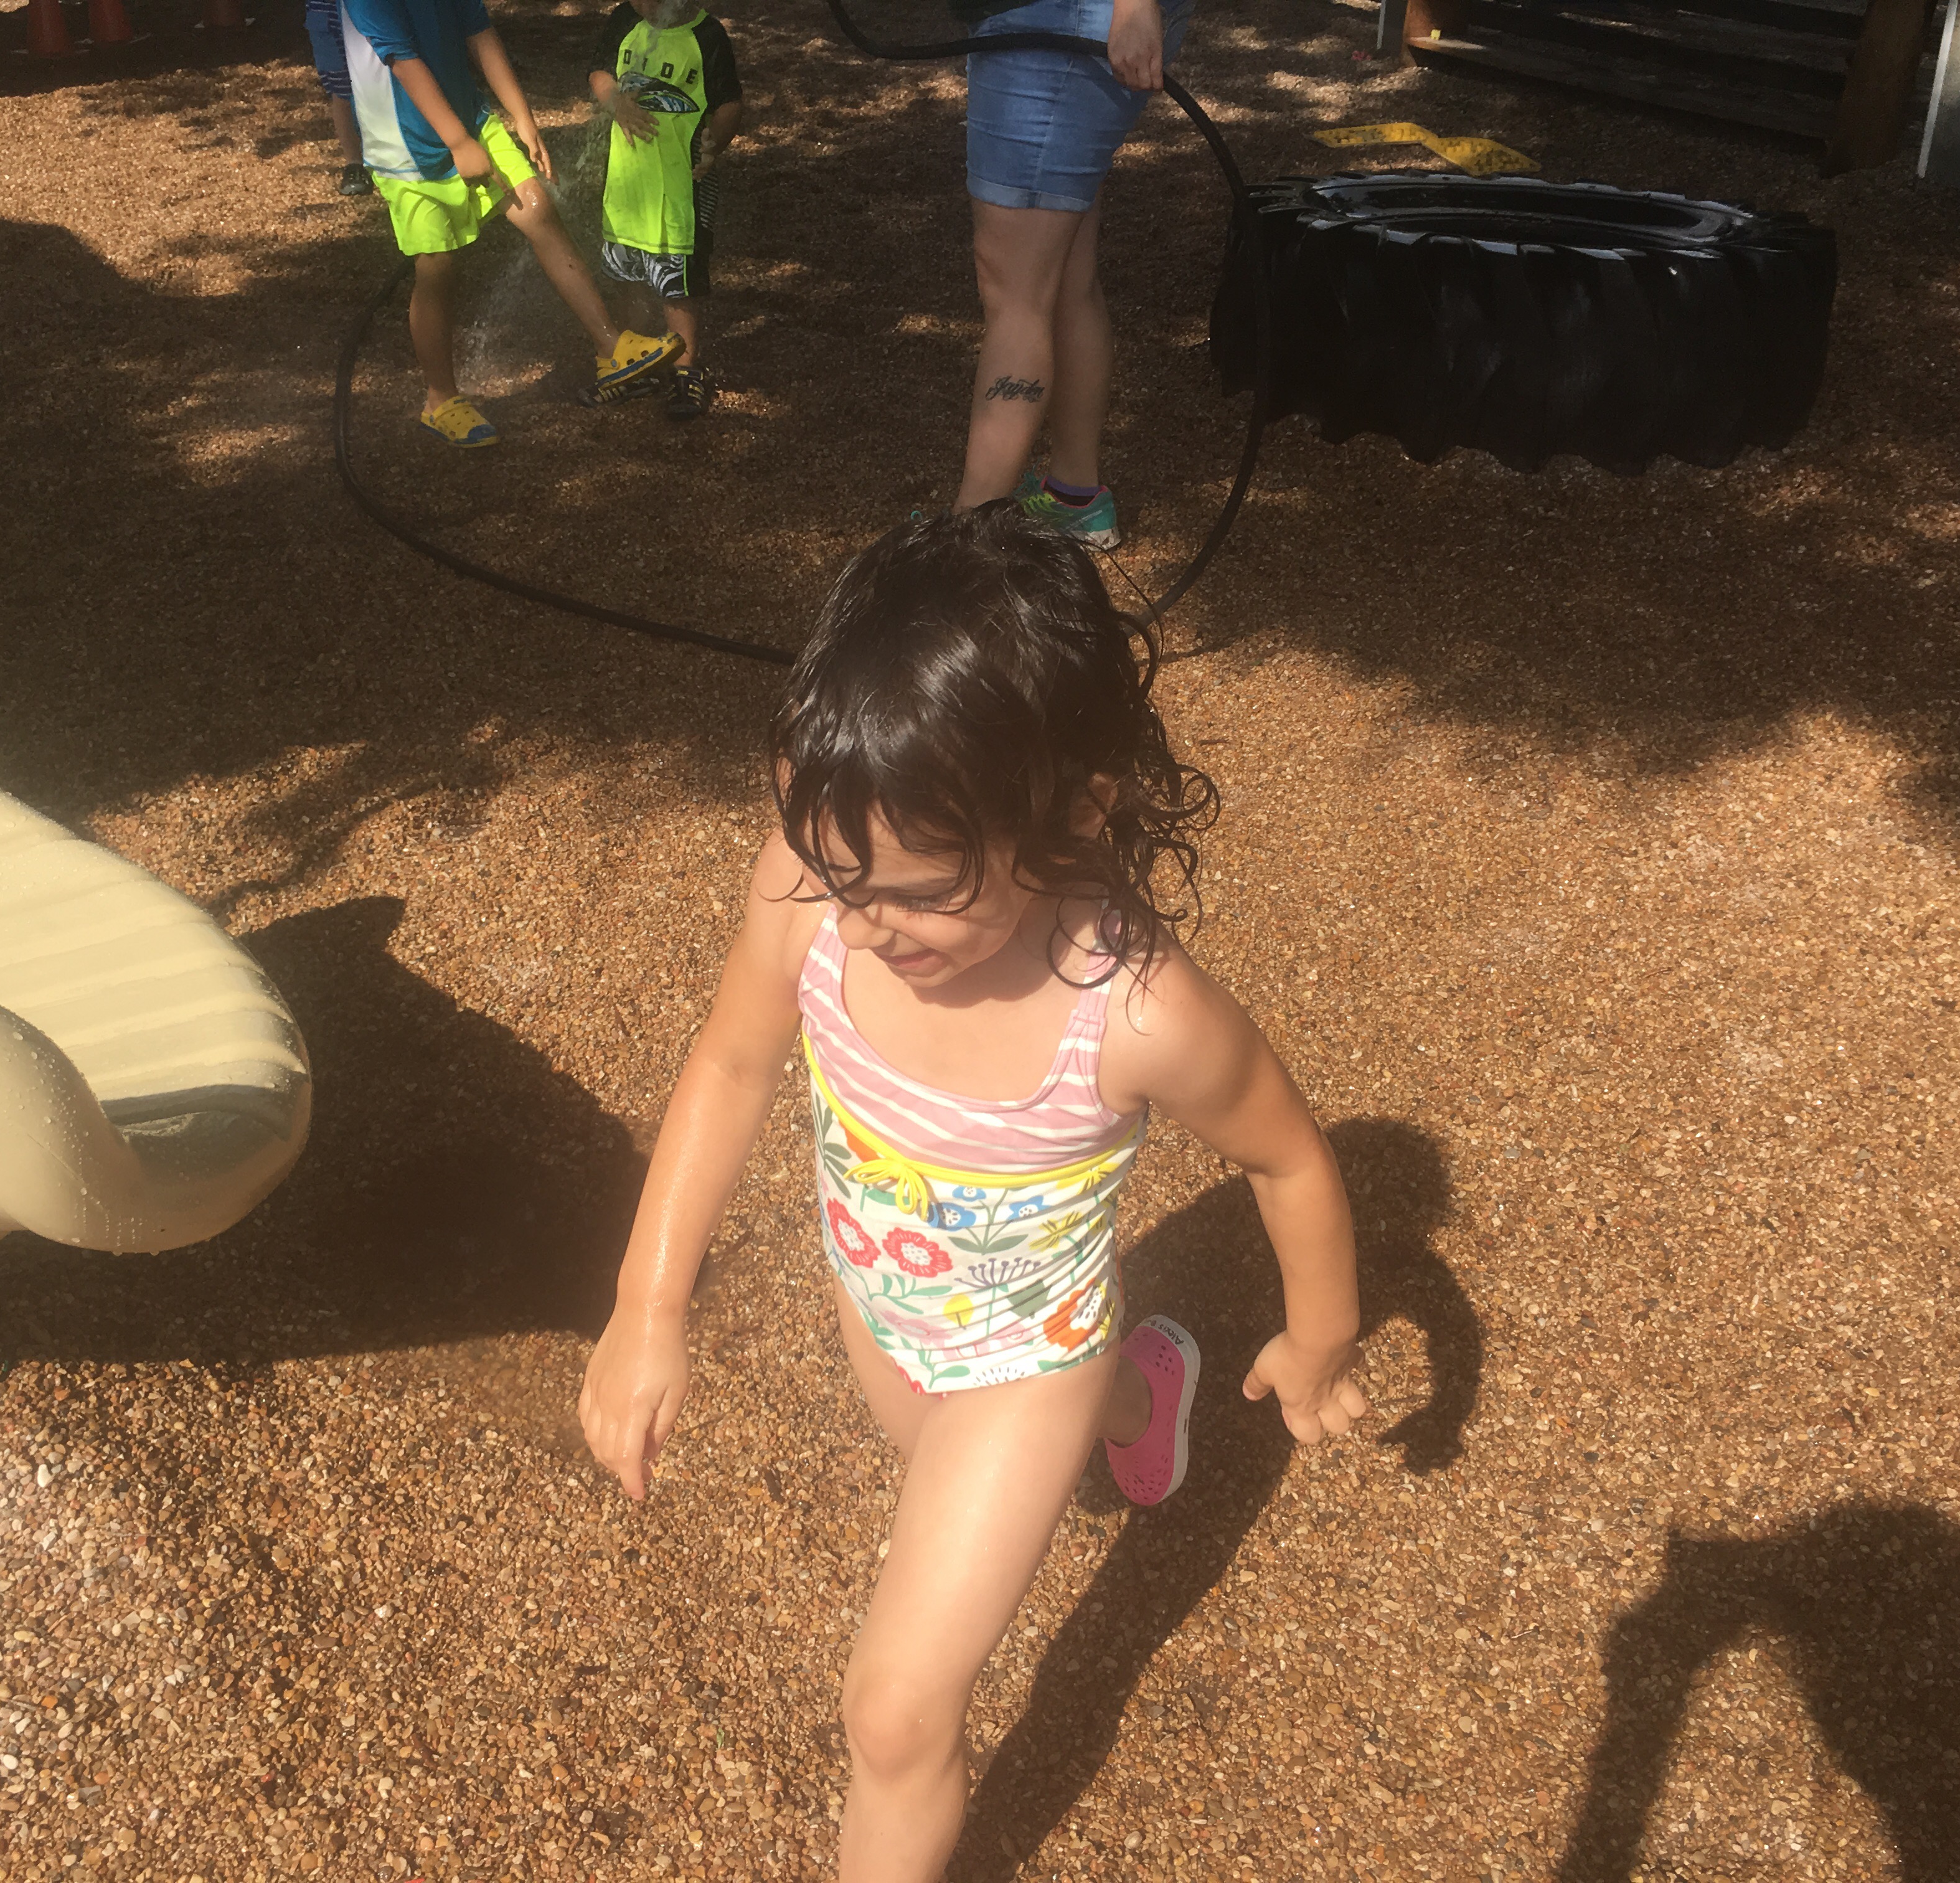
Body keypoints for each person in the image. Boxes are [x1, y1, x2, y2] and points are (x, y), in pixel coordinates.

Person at [579, 507, 1370, 1883]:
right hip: (880, 1300)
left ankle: (1100, 1393)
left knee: (894, 1712)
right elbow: (731, 1061)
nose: (864, 923)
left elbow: (1287, 1156)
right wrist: (647, 1304)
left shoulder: (1135, 1013)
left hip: (1025, 1357)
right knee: (929, 1454)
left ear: (1074, 810)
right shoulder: (810, 891)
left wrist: (1322, 1335)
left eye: (917, 889)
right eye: (842, 875)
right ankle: (1144, 1396)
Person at [340, 0, 684, 446]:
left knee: (538, 209)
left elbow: (479, 32)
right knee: (437, 265)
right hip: (405, 149)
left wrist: (522, 115)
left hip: (470, 118)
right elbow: (403, 61)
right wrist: (458, 143)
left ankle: (611, 347)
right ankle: (441, 399)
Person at [953, 0, 1190, 548]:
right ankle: (1074, 499)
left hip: (1061, 22)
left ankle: (963, 551)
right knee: (1060, 275)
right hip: (1065, 23)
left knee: (1016, 292)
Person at [588, 0, 745, 421]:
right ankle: (633, 362)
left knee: (679, 287)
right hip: (627, 189)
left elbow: (729, 101)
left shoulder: (707, 36)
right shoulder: (625, 18)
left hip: (681, 189)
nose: (645, 5)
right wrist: (615, 101)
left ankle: (686, 371)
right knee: (626, 279)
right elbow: (599, 72)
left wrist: (716, 143)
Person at [302, 0, 372, 196]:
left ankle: (386, 155)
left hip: (369, 12)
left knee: (377, 82)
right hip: (327, 15)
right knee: (341, 91)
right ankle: (354, 164)